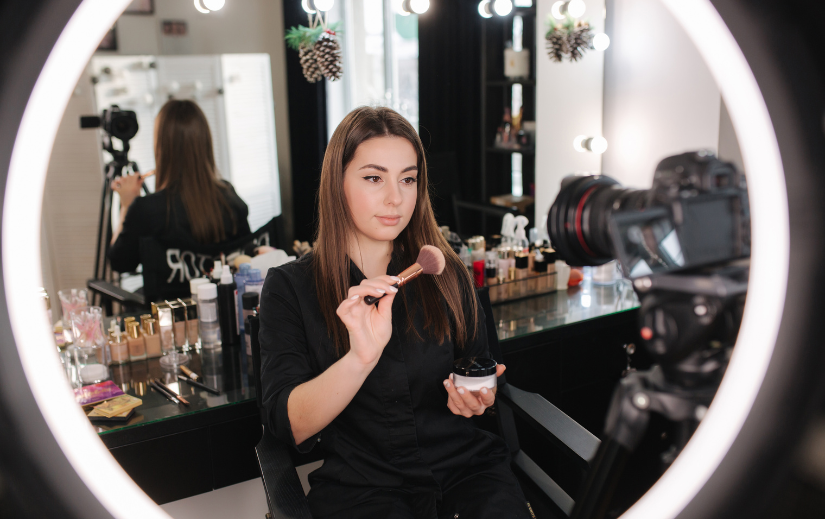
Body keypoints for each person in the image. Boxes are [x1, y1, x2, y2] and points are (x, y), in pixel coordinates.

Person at [258, 107, 532, 518]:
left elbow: (478, 371)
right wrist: (359, 358)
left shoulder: (443, 270)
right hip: (363, 490)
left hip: (468, 474)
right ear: (338, 184)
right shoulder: (290, 289)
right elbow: (290, 424)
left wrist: (477, 397)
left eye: (408, 179)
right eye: (373, 178)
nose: (395, 198)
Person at [108, 99, 251, 274]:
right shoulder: (229, 196)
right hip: (222, 299)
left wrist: (126, 205)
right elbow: (245, 257)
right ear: (204, 143)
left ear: (161, 147)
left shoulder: (145, 210)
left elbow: (120, 263)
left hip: (167, 302)